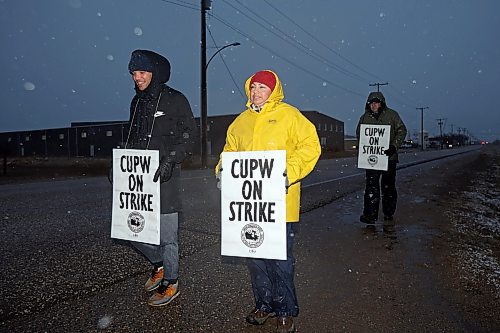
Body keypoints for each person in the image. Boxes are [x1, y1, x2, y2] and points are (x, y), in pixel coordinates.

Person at [215, 70, 321, 333]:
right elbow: (229, 152)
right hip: (248, 204)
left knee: (280, 258)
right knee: (255, 256)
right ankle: (264, 304)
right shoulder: (240, 122)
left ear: (273, 91)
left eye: (262, 87)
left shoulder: (290, 115)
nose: (256, 92)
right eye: (253, 87)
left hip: (280, 203)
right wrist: (221, 172)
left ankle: (285, 310)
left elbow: (311, 146)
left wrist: (287, 172)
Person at [124, 49, 196, 306]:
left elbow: (190, 135)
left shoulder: (175, 100)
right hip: (139, 180)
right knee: (130, 232)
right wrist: (120, 162)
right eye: (133, 73)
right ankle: (159, 264)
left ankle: (171, 281)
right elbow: (132, 137)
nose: (137, 78)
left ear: (154, 74)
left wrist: (171, 159)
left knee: (168, 238)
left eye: (141, 72)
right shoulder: (137, 102)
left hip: (165, 178)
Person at [356, 91, 407, 231]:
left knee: (388, 187)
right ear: (368, 104)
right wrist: (365, 149)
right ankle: (370, 215)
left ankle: (388, 213)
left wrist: (393, 147)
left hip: (389, 159)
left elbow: (402, 130)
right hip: (372, 160)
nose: (374, 105)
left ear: (382, 103)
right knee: (371, 187)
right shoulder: (364, 117)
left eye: (377, 102)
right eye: (372, 103)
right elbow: (360, 134)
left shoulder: (392, 115)